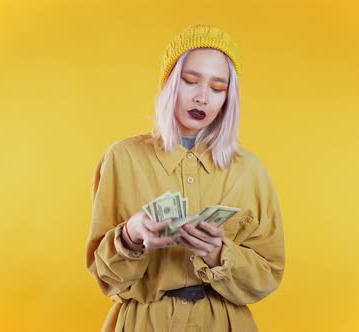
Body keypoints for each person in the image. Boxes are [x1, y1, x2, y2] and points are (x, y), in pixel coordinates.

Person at [86, 24, 285, 331]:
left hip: (224, 322)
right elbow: (106, 278)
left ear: (228, 98)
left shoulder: (250, 171)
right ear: (169, 84)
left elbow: (268, 274)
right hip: (145, 322)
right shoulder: (122, 159)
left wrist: (219, 254)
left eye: (217, 88)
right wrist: (130, 235)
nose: (202, 98)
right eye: (190, 81)